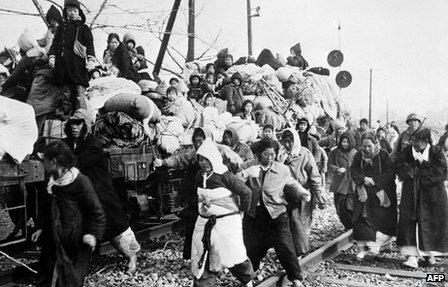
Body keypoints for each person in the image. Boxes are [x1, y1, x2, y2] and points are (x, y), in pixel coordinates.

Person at [63, 109, 140, 273]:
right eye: (72, 124)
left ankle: (132, 257)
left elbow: (78, 162)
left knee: (116, 227)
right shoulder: (68, 143)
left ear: (86, 126)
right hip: (82, 195)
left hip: (101, 194)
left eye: (79, 124)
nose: (74, 127)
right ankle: (77, 266)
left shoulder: (93, 144)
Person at [236, 138, 310, 287]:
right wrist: (246, 174)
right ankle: (248, 279)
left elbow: (291, 182)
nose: (269, 158)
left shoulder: (281, 169)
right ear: (258, 154)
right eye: (266, 154)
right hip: (254, 213)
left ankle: (296, 278)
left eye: (272, 154)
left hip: (276, 213)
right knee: (251, 247)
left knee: (285, 245)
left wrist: (302, 191)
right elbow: (234, 183)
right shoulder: (247, 166)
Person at [32, 141, 105, 287]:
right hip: (53, 238)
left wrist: (92, 233)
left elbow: (96, 212)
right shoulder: (52, 182)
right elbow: (48, 208)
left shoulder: (80, 182)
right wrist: (41, 227)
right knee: (46, 277)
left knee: (70, 281)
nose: (43, 165)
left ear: (53, 162)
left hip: (75, 240)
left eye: (44, 161)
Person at [191, 138, 255, 287]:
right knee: (202, 253)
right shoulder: (199, 176)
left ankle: (247, 280)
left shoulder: (224, 174)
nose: (203, 163)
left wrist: (241, 211)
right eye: (200, 160)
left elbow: (246, 192)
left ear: (213, 158)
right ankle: (203, 284)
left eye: (206, 159)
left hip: (226, 222)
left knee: (233, 253)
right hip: (204, 221)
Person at [395, 128, 448, 268]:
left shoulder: (436, 152)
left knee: (431, 221)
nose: (414, 144)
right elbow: (398, 163)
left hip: (432, 194)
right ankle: (412, 256)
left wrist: (421, 175)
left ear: (426, 141)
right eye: (412, 141)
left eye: (417, 141)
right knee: (409, 220)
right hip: (411, 192)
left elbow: (442, 171)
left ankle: (429, 254)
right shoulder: (408, 151)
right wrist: (409, 172)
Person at [350, 132, 397, 261]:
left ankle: (382, 249)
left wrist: (375, 181)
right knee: (361, 220)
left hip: (380, 192)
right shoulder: (359, 156)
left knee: (381, 221)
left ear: (376, 144)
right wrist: (364, 179)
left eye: (369, 146)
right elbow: (353, 170)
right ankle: (362, 249)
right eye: (364, 146)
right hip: (363, 192)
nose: (366, 149)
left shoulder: (383, 155)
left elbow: (390, 172)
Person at [277, 128, 325, 256]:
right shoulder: (279, 155)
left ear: (295, 141)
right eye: (284, 141)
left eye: (290, 142)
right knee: (285, 223)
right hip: (284, 194)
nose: (287, 145)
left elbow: (314, 176)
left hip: (302, 194)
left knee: (299, 223)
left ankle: (300, 252)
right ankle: (288, 251)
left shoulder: (304, 154)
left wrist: (319, 196)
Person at [48, 0, 95, 117]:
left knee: (79, 95)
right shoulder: (61, 27)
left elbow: (90, 45)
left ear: (79, 12)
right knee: (66, 95)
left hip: (78, 66)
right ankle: (66, 122)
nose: (72, 13)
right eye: (69, 10)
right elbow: (55, 44)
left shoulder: (84, 28)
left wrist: (91, 60)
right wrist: (52, 57)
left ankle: (82, 119)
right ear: (66, 12)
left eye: (75, 10)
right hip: (63, 66)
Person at [328, 131, 357, 229]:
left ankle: (352, 226)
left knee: (350, 206)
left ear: (351, 142)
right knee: (340, 207)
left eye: (347, 142)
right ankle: (347, 225)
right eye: (343, 141)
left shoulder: (355, 153)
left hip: (352, 185)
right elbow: (330, 165)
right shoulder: (334, 152)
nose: (345, 144)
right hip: (339, 184)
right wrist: (337, 169)